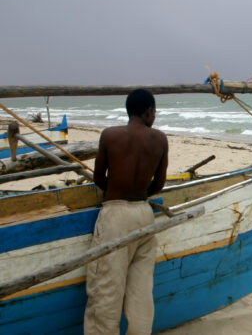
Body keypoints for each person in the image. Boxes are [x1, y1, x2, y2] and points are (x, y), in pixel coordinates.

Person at [84, 89, 169, 335]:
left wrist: (116, 190)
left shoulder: (110, 136)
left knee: (106, 291)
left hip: (115, 215)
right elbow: (159, 184)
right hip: (144, 214)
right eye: (154, 112)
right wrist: (139, 192)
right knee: (141, 291)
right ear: (148, 111)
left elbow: (99, 177)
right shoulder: (160, 139)